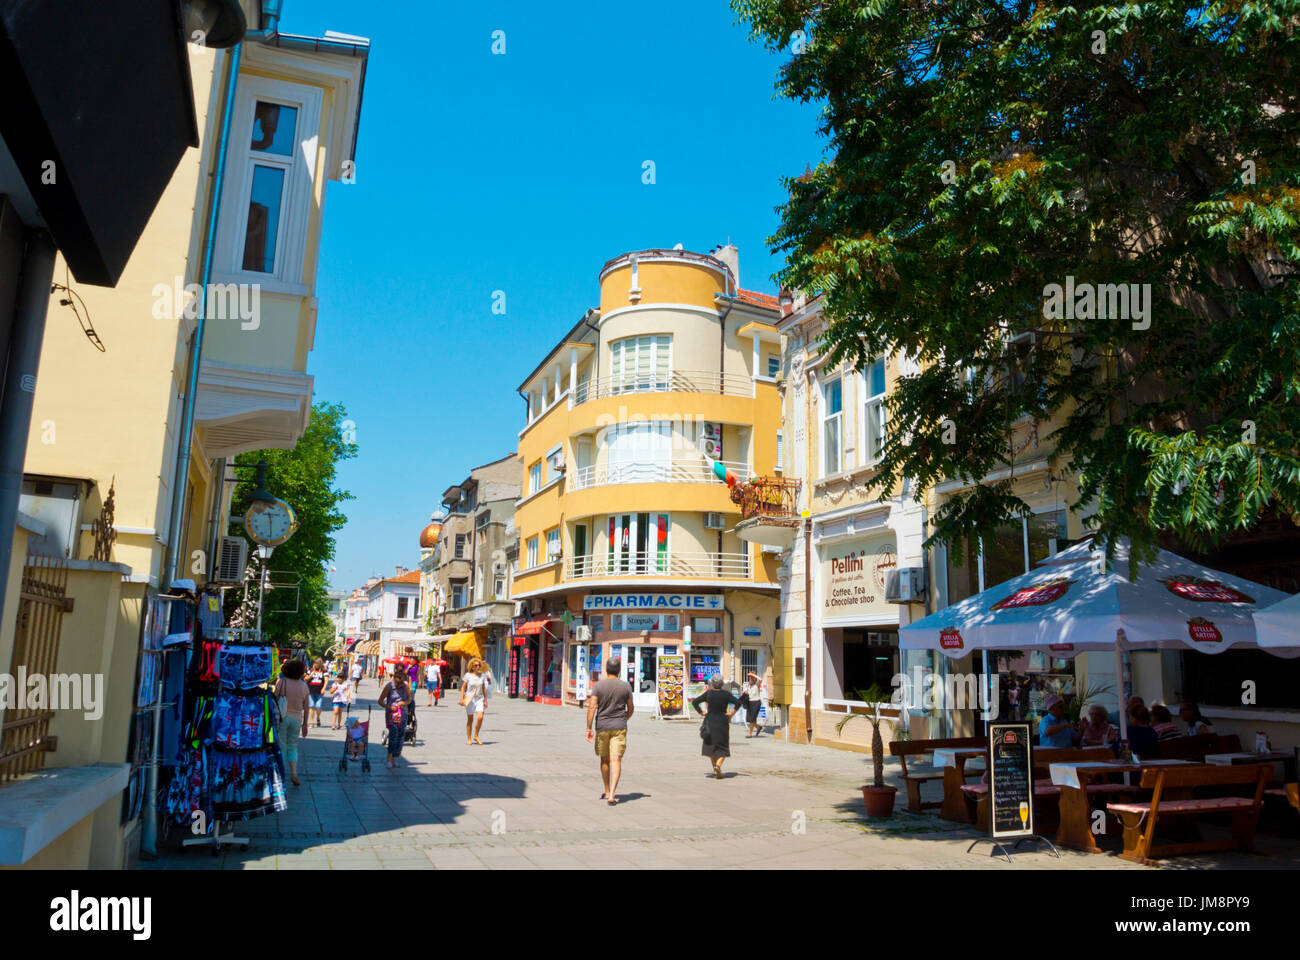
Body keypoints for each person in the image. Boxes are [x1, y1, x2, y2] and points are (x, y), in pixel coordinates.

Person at [585, 657, 633, 805]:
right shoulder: (626, 687)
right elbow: (631, 708)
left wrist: (588, 727)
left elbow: (592, 707)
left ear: (606, 669)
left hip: (602, 727)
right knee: (616, 759)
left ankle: (607, 791)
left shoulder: (598, 686)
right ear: (619, 670)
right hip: (619, 727)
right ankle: (612, 794)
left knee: (604, 759)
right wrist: (624, 718)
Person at [693, 674, 741, 778]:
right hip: (722, 722)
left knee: (711, 746)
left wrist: (701, 712)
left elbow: (695, 702)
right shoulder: (726, 694)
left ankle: (715, 769)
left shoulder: (709, 694)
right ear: (722, 684)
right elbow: (738, 702)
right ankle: (718, 766)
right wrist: (732, 713)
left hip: (709, 721)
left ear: (712, 684)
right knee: (723, 747)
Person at [274, 659, 310, 787]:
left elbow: (275, 698)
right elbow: (306, 707)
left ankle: (281, 774)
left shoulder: (282, 682)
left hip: (282, 718)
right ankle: (294, 772)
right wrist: (305, 724)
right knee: (293, 746)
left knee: (282, 745)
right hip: (297, 719)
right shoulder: (304, 686)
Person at [378, 668, 412, 769]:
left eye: (400, 684)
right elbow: (380, 701)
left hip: (403, 714)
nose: (399, 686)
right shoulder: (389, 687)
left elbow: (409, 700)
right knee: (393, 734)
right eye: (397, 684)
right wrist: (389, 707)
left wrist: (404, 703)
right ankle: (389, 758)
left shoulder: (404, 687)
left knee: (401, 735)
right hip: (391, 714)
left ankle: (395, 757)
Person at [460, 658, 490, 746]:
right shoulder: (468, 675)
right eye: (476, 665)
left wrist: (485, 700)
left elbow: (484, 688)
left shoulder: (482, 676)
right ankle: (469, 738)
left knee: (480, 717)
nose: (478, 667)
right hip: (470, 699)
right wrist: (462, 699)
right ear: (472, 667)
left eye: (479, 665)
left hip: (479, 698)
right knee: (470, 719)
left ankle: (476, 735)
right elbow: (463, 687)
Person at [741, 672, 764, 738]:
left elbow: (760, 679)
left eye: (751, 679)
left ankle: (749, 734)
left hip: (756, 703)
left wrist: (753, 675)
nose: (750, 680)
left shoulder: (757, 684)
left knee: (752, 719)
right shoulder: (748, 685)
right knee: (749, 719)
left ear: (754, 679)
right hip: (750, 703)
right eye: (749, 679)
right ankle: (758, 727)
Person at [307, 660, 327, 728]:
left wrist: (324, 688)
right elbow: (305, 678)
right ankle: (311, 722)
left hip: (319, 691)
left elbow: (326, 681)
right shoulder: (310, 670)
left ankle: (318, 717)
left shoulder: (324, 671)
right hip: (311, 690)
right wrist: (310, 675)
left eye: (316, 663)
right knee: (311, 706)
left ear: (319, 664)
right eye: (314, 663)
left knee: (318, 706)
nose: (315, 665)